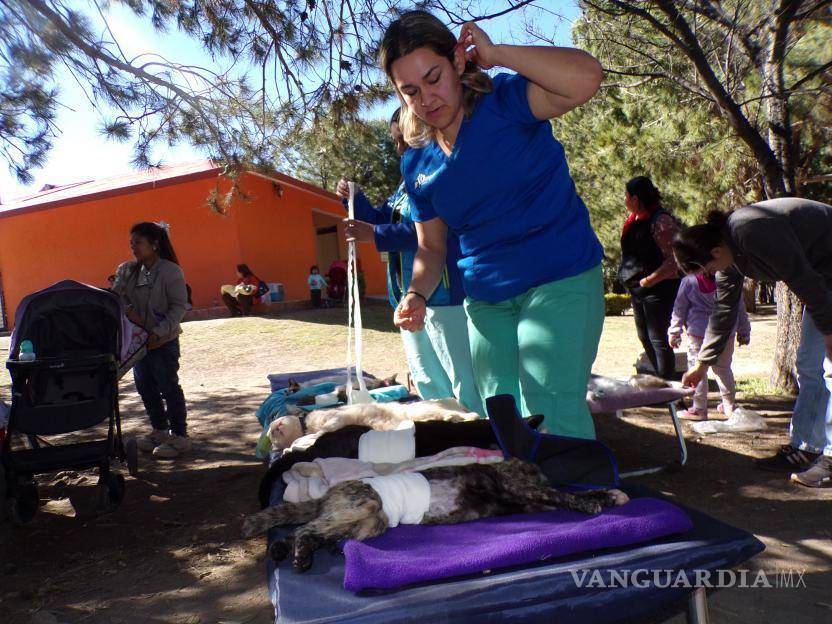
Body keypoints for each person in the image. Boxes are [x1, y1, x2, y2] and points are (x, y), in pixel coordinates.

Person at [380, 11, 605, 437]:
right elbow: (431, 247)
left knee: (551, 407)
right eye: (410, 91)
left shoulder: (505, 102)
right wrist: (416, 294)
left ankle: (582, 497)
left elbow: (587, 77)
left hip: (560, 278)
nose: (426, 99)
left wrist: (498, 53)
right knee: (498, 413)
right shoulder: (417, 161)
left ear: (458, 62)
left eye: (433, 78)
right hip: (486, 299)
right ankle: (524, 500)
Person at [673, 198, 832, 487]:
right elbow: (723, 312)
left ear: (716, 252)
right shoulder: (731, 253)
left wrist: (829, 332)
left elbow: (803, 278)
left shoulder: (750, 230)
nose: (710, 276)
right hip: (822, 280)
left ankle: (830, 458)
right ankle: (806, 447)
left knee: (830, 368)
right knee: (809, 365)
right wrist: (702, 364)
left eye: (707, 270)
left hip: (824, 278)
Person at [335, 109, 484, 414]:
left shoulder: (445, 174)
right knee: (427, 378)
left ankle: (478, 436)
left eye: (404, 139)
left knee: (463, 380)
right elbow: (382, 218)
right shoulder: (405, 186)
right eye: (395, 142)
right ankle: (444, 438)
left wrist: (375, 234)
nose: (400, 148)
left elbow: (429, 234)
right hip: (408, 298)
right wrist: (355, 199)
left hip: (446, 297)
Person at [113, 222, 190, 459]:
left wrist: (158, 331)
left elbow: (179, 307)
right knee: (145, 387)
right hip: (138, 344)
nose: (133, 247)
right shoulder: (127, 270)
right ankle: (159, 430)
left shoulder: (171, 271)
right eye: (131, 243)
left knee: (168, 386)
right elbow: (115, 297)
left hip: (163, 341)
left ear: (154, 244)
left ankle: (179, 436)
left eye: (138, 242)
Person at [618, 176, 682, 379]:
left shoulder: (661, 221)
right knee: (644, 337)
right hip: (638, 291)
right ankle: (659, 382)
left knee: (658, 338)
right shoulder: (632, 221)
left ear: (636, 198)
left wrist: (648, 281)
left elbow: (674, 260)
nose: (624, 200)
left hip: (659, 289)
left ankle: (668, 388)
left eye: (626, 196)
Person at [668, 273, 751, 421]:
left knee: (697, 370)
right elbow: (739, 307)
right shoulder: (729, 282)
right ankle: (729, 406)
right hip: (726, 333)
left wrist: (675, 332)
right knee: (724, 369)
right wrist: (744, 331)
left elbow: (679, 308)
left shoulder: (689, 281)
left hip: (698, 334)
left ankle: (699, 409)